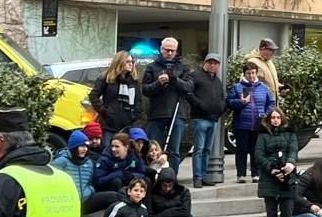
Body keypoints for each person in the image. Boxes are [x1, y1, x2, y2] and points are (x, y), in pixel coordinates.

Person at [142, 38, 193, 172]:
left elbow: (189, 87)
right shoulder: (152, 67)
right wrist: (158, 83)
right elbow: (145, 90)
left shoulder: (183, 68)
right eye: (167, 50)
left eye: (172, 50)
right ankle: (152, 176)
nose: (169, 53)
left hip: (177, 112)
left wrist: (174, 80)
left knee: (174, 150)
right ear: (161, 49)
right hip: (157, 113)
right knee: (153, 149)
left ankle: (171, 179)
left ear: (176, 51)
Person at [255, 108, 299, 217]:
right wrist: (271, 168)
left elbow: (293, 149)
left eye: (278, 117)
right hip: (269, 176)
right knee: (271, 210)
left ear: (282, 119)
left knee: (287, 209)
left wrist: (290, 163)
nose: (275, 120)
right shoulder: (262, 135)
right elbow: (259, 155)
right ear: (269, 120)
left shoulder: (290, 134)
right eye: (273, 117)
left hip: (288, 175)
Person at [227, 61, 275, 183]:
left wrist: (266, 113)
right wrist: (241, 102)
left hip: (259, 125)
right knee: (241, 150)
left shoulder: (263, 88)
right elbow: (229, 103)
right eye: (248, 73)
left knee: (256, 151)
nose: (251, 76)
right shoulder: (237, 87)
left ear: (256, 73)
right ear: (244, 74)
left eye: (253, 73)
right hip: (242, 124)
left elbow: (271, 102)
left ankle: (256, 174)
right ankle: (241, 174)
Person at [52, 130, 115, 215]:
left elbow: (91, 182)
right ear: (74, 147)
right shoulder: (61, 162)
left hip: (85, 201)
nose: (85, 149)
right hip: (67, 204)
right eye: (81, 146)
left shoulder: (89, 163)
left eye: (86, 146)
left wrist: (91, 190)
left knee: (114, 196)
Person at [188, 53, 227, 188]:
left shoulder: (217, 81)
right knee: (198, 149)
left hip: (213, 119)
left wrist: (221, 108)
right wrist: (199, 105)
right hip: (199, 118)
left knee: (207, 150)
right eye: (210, 62)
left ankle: (204, 177)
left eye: (215, 63)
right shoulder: (196, 76)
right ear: (204, 63)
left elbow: (221, 97)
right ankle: (197, 178)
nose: (212, 65)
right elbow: (189, 94)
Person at [90, 52, 141, 136]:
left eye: (132, 62)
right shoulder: (106, 78)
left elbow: (138, 103)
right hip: (109, 125)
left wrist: (137, 121)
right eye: (127, 62)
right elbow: (93, 96)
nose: (131, 64)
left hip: (128, 125)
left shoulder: (134, 82)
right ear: (120, 62)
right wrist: (105, 111)